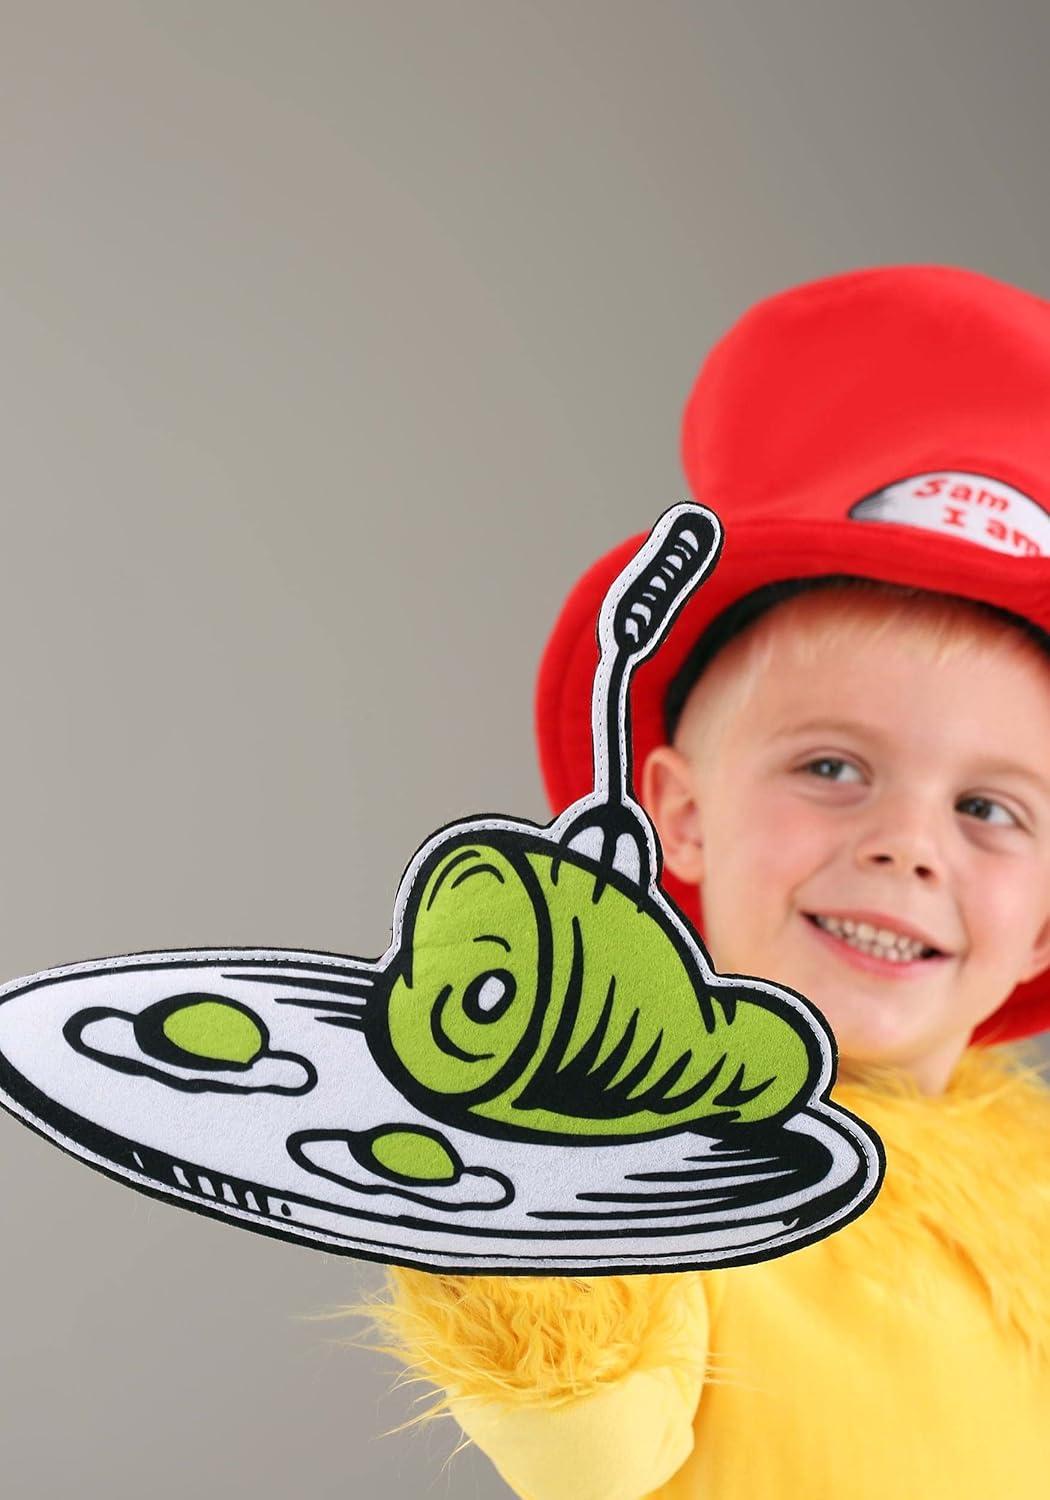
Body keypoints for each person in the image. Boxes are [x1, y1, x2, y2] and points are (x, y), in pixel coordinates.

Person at [345, 265, 1050, 1499]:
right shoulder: (661, 1178)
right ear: (680, 817)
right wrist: (520, 1159)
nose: (908, 846)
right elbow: (588, 1449)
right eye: (832, 768)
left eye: (988, 810)